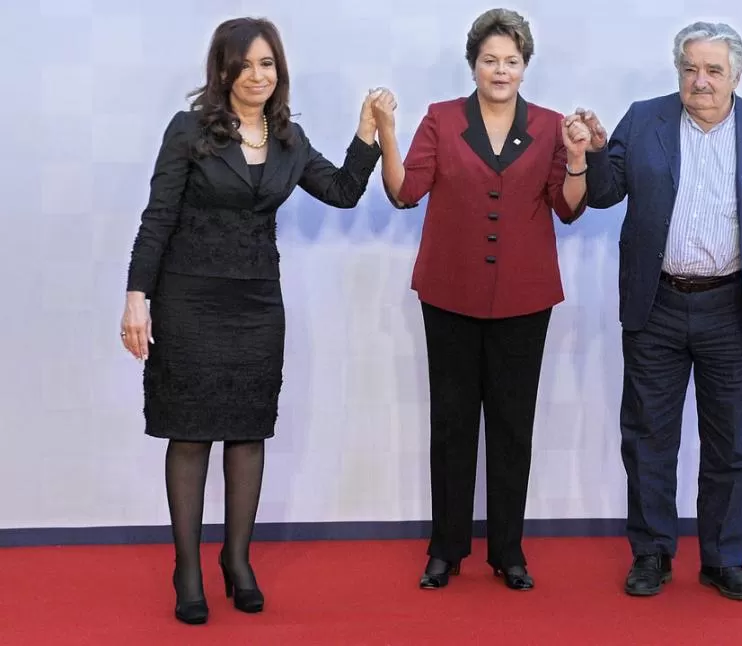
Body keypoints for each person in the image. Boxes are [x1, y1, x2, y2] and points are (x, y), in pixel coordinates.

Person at [119, 17, 382, 624]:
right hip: (188, 300)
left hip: (258, 304)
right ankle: (187, 568)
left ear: (278, 71)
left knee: (247, 432)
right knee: (189, 433)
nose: (258, 76)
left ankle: (237, 561)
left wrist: (366, 135)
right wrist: (138, 296)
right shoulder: (189, 131)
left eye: (268, 64)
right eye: (246, 64)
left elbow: (342, 191)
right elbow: (157, 217)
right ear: (224, 70)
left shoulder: (290, 139)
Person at [573, 21, 742, 601]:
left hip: (733, 306)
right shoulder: (643, 118)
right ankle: (651, 553)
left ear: (736, 75)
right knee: (649, 437)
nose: (700, 81)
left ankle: (724, 559)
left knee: (732, 442)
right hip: (657, 304)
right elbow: (602, 194)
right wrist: (594, 153)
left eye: (713, 70)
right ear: (678, 69)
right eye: (690, 68)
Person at [371, 8, 592, 591]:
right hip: (450, 294)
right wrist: (388, 136)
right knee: (451, 424)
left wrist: (576, 159)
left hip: (524, 298)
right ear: (473, 64)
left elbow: (568, 206)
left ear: (526, 66)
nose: (501, 70)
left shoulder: (549, 125)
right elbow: (404, 192)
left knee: (513, 426)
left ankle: (508, 551)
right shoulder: (441, 120)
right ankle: (445, 550)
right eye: (491, 60)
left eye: (512, 61)